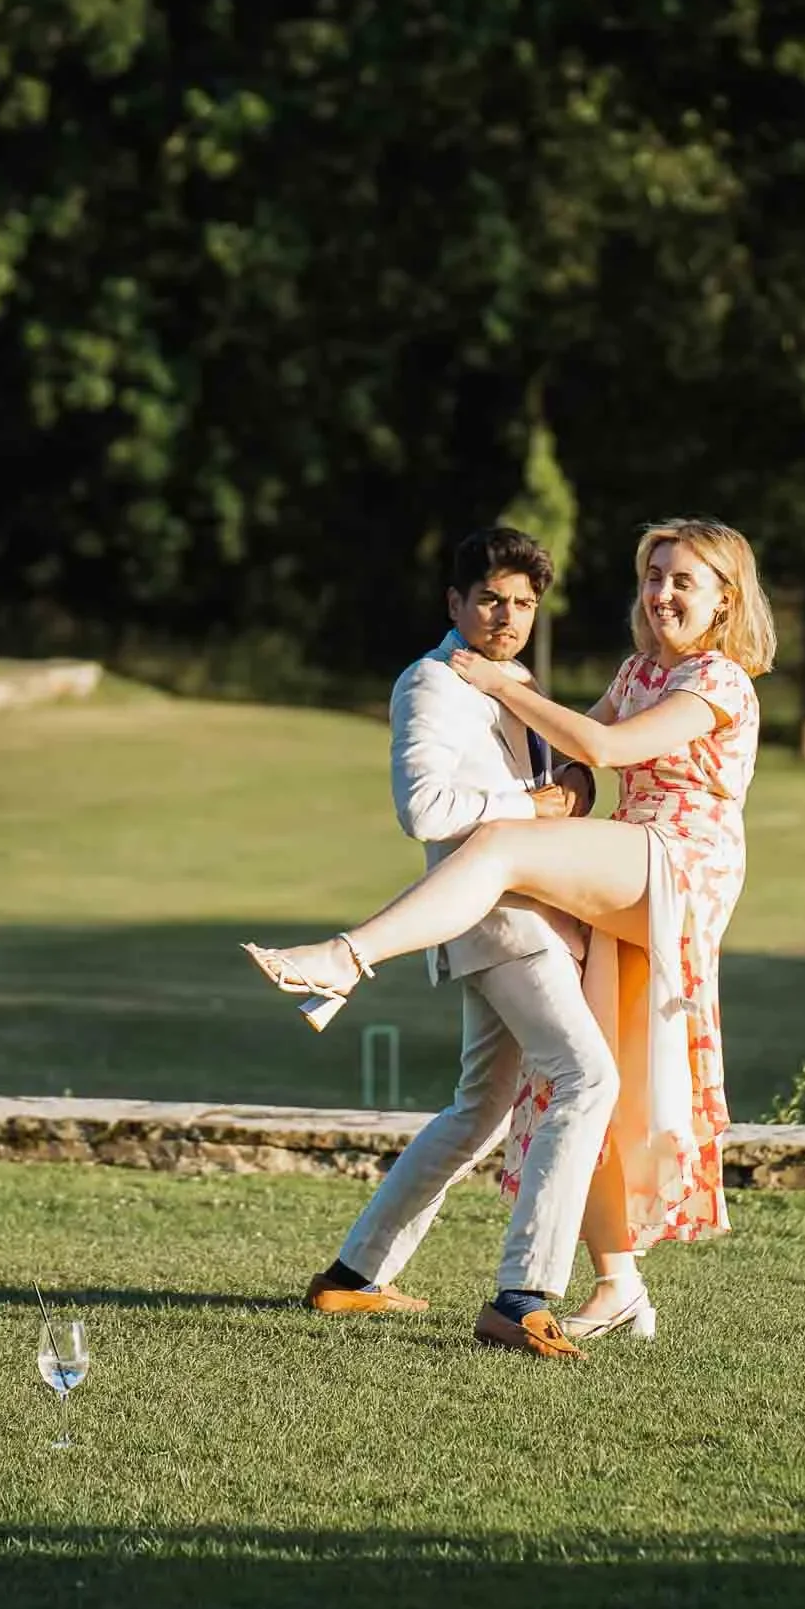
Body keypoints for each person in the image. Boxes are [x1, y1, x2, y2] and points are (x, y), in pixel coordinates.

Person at [247, 518, 774, 1343]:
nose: (661, 592)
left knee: (558, 1082)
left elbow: (592, 748)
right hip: (532, 895)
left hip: (673, 865)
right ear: (454, 602)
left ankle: (352, 959)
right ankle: (540, 1285)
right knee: (535, 1093)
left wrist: (513, 704)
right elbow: (563, 765)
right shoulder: (480, 678)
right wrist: (546, 788)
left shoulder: (719, 680)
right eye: (654, 576)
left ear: (725, 600)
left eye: (682, 580)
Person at [298, 525, 622, 1362]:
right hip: (501, 922)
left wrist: (568, 788)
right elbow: (427, 810)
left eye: (522, 604)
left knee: (479, 1109)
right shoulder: (432, 683)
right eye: (490, 600)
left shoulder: (511, 678)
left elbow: (548, 781)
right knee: (586, 1077)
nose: (507, 617)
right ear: (454, 602)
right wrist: (540, 807)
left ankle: (355, 1272)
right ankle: (524, 1294)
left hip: (523, 918)